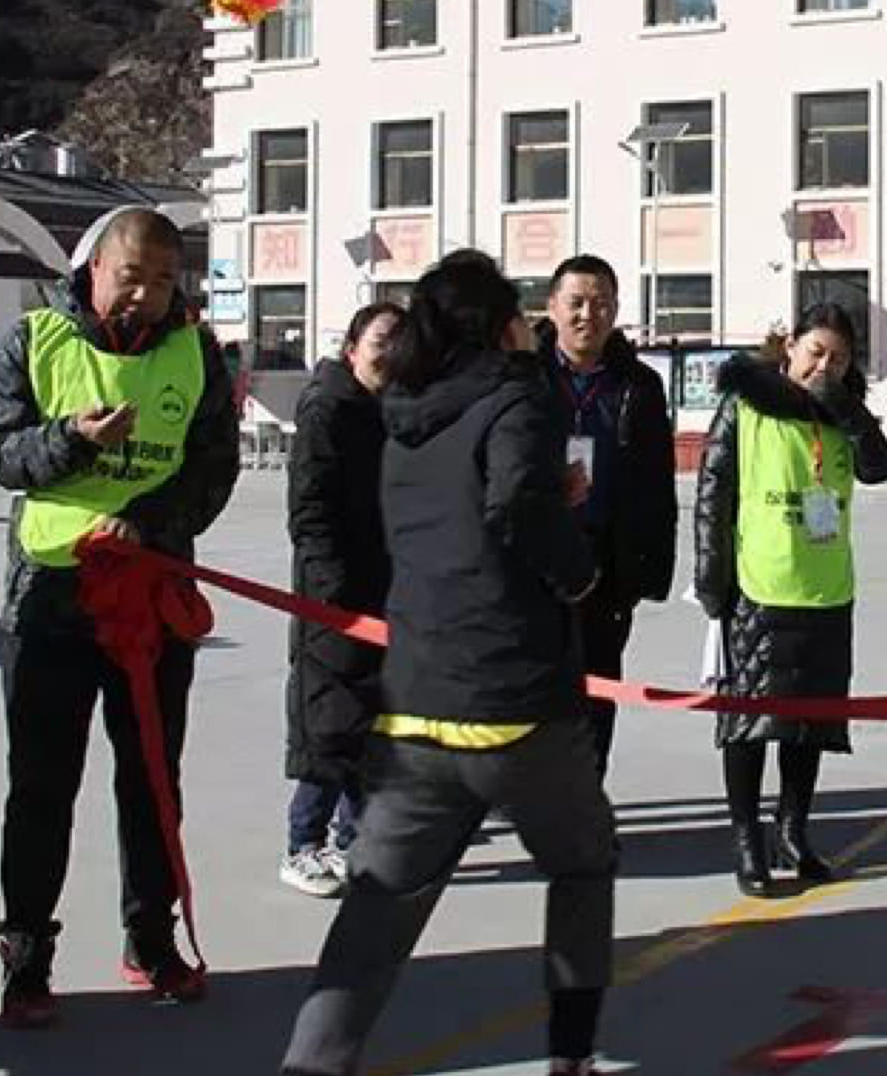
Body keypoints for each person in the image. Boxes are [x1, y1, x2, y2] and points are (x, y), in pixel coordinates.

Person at [281, 251, 616, 1076]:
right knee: (583, 865)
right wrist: (578, 571)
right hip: (515, 705)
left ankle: (311, 1063)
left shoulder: (402, 417)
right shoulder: (517, 398)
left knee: (376, 913)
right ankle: (571, 1055)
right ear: (497, 327)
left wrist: (537, 497)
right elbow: (514, 506)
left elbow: (462, 516)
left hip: (417, 707)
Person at [0, 207, 241, 1026]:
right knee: (41, 785)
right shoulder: (32, 340)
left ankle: (150, 937)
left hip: (150, 598)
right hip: (49, 600)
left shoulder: (195, 354)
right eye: (131, 277)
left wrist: (147, 524)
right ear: (94, 270)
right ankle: (26, 955)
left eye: (162, 280)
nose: (145, 295)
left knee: (152, 778)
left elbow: (214, 468)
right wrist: (71, 440)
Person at [693, 303, 887, 897]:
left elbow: (879, 468)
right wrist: (711, 579)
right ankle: (747, 840)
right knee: (748, 724)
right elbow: (713, 492)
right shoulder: (745, 405)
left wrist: (847, 409)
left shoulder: (842, 413)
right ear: (790, 348)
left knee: (810, 725)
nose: (824, 366)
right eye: (816, 352)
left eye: (839, 357)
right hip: (758, 587)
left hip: (825, 588)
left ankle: (793, 830)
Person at [534, 255, 677, 774]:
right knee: (532, 688)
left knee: (598, 690)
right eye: (575, 303)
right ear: (552, 307)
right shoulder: (524, 377)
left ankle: (587, 793)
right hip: (536, 560)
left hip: (605, 563)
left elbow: (657, 485)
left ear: (615, 311)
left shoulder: (639, 385)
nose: (587, 315)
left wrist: (648, 570)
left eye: (600, 304)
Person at [281, 302, 401, 898]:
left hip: (386, 591)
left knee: (373, 722)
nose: (390, 352)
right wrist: (332, 595)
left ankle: (354, 838)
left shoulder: (395, 410)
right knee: (329, 723)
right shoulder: (327, 408)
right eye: (381, 340)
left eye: (401, 342)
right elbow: (310, 511)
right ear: (352, 348)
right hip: (333, 599)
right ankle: (303, 843)